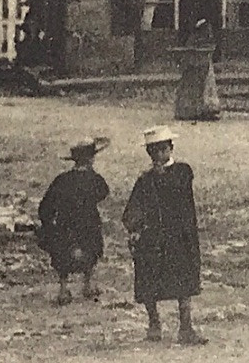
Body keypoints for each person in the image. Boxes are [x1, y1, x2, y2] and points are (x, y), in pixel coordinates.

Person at [122, 126, 205, 345]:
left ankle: (186, 327)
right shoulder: (145, 179)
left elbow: (179, 191)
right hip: (154, 236)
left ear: (171, 148)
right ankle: (154, 324)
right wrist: (134, 229)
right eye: (154, 151)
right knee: (149, 278)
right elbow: (134, 207)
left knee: (184, 281)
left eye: (162, 149)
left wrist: (159, 177)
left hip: (179, 235)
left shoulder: (182, 171)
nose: (159, 154)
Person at [38, 136, 112, 306]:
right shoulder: (95, 179)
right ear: (91, 159)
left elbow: (45, 206)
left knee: (62, 252)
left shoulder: (61, 180)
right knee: (92, 248)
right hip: (88, 223)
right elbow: (103, 193)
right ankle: (87, 283)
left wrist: (49, 224)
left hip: (66, 226)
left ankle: (63, 288)